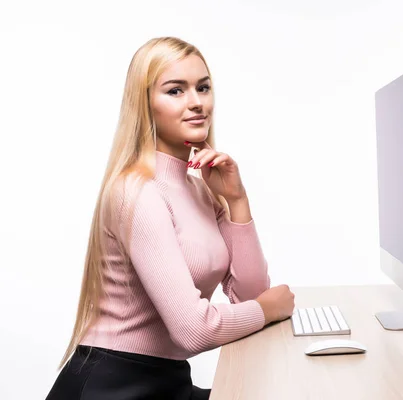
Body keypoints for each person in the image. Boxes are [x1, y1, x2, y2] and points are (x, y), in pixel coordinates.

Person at [45, 36, 295, 400]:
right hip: (115, 386)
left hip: (168, 381)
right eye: (175, 91)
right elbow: (194, 329)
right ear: (144, 104)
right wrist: (267, 309)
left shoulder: (201, 188)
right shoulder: (137, 192)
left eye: (203, 87)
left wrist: (237, 201)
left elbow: (252, 297)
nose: (197, 102)